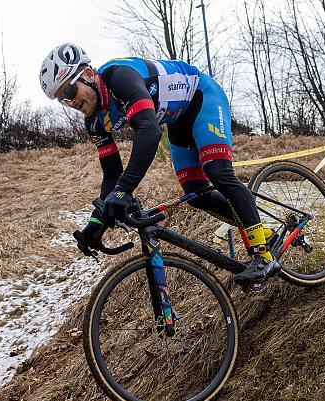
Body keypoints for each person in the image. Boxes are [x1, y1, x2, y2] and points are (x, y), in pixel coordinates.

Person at [39, 43, 280, 282]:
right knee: (196, 193)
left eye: (69, 92)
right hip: (177, 122)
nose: (70, 103)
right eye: (62, 99)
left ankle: (263, 255)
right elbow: (112, 174)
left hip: (202, 97)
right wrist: (96, 221)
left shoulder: (119, 77)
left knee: (217, 171)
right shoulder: (94, 122)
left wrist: (124, 190)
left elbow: (149, 131)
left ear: (89, 74)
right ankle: (262, 231)